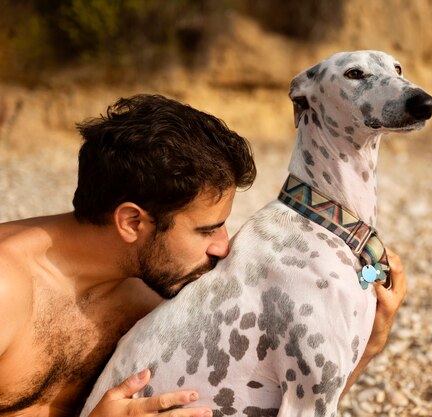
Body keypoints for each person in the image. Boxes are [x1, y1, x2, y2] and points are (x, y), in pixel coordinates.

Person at [0, 94, 406, 417]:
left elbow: (295, 401)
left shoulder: (154, 295)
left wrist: (365, 345)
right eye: (206, 229)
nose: (223, 246)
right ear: (131, 222)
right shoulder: (7, 288)